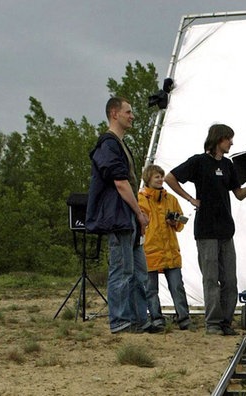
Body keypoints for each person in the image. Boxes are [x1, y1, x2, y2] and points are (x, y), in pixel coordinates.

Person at [165, 124, 246, 336]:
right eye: (229, 139)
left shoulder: (228, 165)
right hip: (206, 229)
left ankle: (226, 322)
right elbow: (169, 177)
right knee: (211, 279)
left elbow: (239, 194)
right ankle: (213, 323)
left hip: (226, 229)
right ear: (219, 139)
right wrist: (190, 199)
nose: (232, 143)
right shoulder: (198, 162)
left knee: (229, 280)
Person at [86, 96, 155, 334]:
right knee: (122, 270)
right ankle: (120, 321)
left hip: (127, 217)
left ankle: (138, 319)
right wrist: (139, 212)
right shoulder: (108, 144)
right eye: (128, 111)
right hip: (119, 217)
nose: (132, 116)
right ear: (114, 113)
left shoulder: (120, 144)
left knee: (138, 271)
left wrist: (136, 215)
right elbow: (120, 182)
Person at [138, 164, 191, 331]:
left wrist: (175, 222)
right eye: (157, 177)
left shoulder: (171, 199)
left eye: (161, 176)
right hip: (150, 250)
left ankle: (184, 318)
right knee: (151, 289)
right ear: (148, 179)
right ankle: (156, 318)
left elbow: (181, 222)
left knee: (177, 286)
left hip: (170, 251)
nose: (161, 179)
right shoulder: (140, 199)